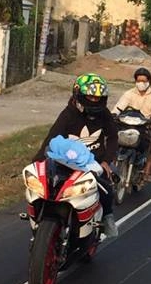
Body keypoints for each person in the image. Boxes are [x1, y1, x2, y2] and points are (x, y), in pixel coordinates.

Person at [36, 73, 119, 238]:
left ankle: (108, 218)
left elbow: (113, 137)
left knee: (107, 189)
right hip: (65, 162)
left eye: (98, 98)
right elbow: (52, 138)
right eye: (90, 97)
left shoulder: (105, 115)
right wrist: (37, 161)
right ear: (78, 93)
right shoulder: (68, 114)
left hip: (93, 164)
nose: (94, 101)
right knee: (45, 188)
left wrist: (105, 162)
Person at [112, 67, 151, 183]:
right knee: (111, 139)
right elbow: (119, 107)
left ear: (149, 81)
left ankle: (147, 171)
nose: (141, 83)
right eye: (138, 81)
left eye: (144, 81)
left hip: (145, 127)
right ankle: (112, 166)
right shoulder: (129, 94)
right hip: (127, 125)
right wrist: (113, 114)